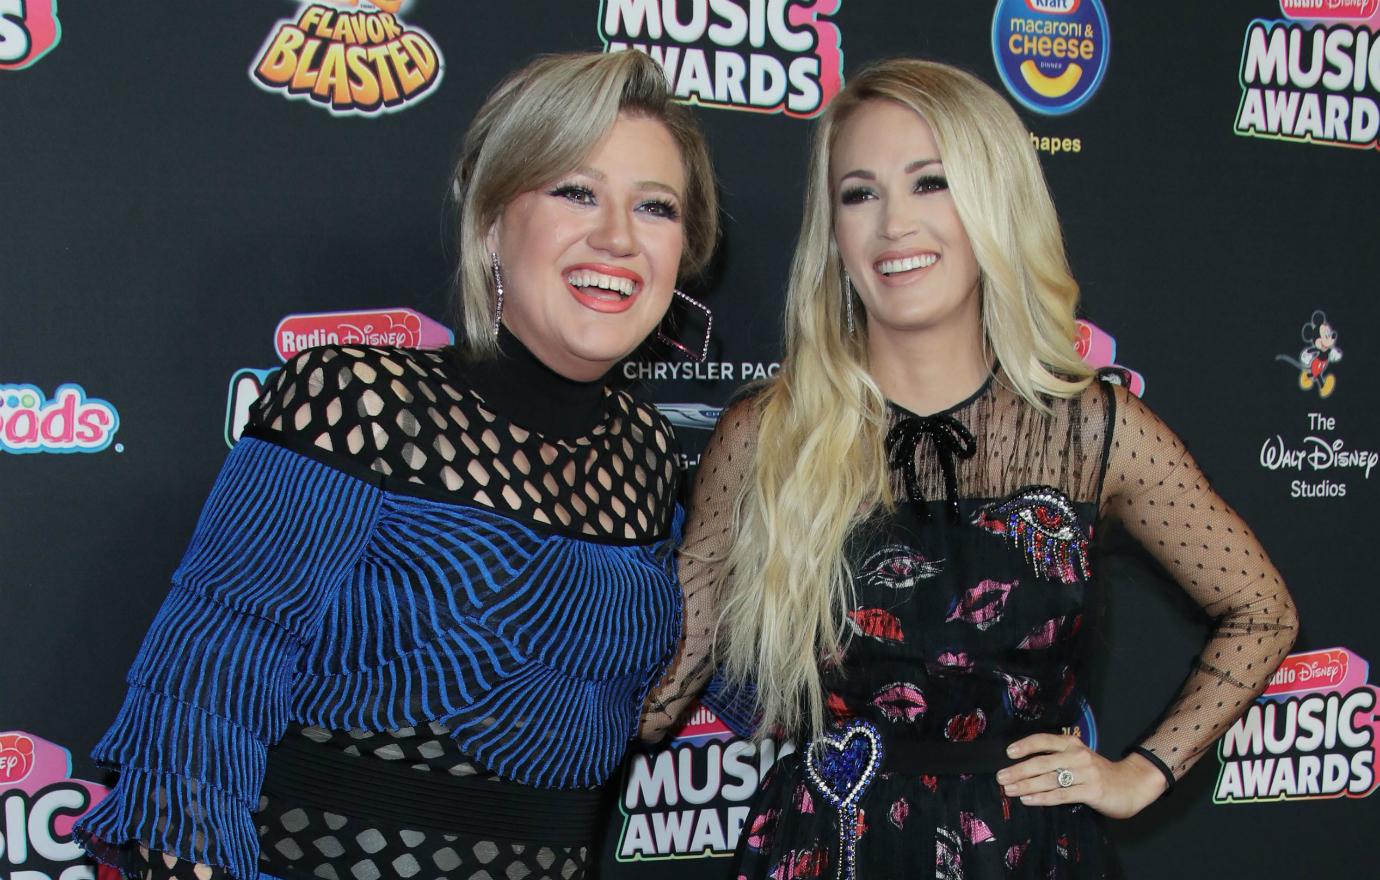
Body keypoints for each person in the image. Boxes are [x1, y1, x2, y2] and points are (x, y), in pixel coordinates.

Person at [640, 59, 1296, 879]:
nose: (893, 226)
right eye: (859, 193)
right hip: (824, 848)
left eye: (931, 183)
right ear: (833, 234)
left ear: (994, 202)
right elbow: (677, 665)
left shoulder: (1093, 431)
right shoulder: (766, 433)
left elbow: (1261, 611)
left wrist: (1141, 773)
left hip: (1022, 854)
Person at [76, 49, 718, 880]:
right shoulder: (357, 397)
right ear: (492, 223)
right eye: (575, 191)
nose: (618, 238)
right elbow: (201, 693)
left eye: (655, 207)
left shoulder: (646, 451)